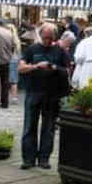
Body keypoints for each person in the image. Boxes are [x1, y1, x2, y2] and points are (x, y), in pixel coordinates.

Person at [18, 23, 69, 169]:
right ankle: (28, 159)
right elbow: (21, 68)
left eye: (51, 37)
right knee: (29, 126)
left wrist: (53, 67)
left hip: (52, 94)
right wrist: (36, 66)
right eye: (46, 37)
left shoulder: (60, 51)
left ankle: (44, 159)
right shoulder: (31, 50)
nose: (48, 40)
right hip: (33, 91)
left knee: (49, 127)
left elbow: (66, 71)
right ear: (41, 35)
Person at [5, 21, 22, 104]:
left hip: (8, 59)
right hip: (15, 59)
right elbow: (19, 52)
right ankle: (14, 97)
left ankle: (3, 96)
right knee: (14, 79)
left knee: (4, 78)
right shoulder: (17, 39)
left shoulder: (7, 38)